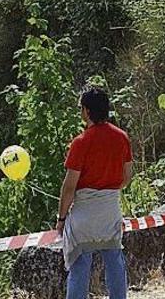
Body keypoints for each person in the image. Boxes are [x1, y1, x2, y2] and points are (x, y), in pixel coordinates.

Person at [57, 86, 132, 299]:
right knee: (115, 260)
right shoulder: (122, 137)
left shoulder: (80, 142)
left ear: (86, 111)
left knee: (79, 266)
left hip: (84, 215)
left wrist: (61, 218)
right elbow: (127, 177)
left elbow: (69, 186)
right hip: (110, 209)